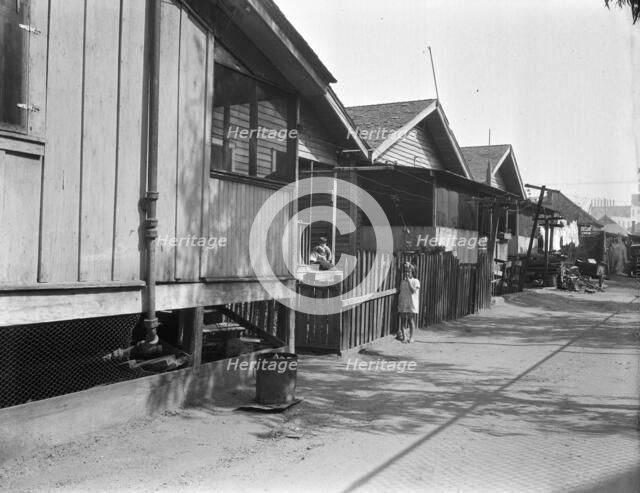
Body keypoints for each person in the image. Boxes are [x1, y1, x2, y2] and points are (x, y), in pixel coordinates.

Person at [398, 262, 420, 343]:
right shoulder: (402, 282)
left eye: (409, 271)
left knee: (410, 320)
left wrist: (409, 281)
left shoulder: (416, 281)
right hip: (403, 303)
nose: (407, 273)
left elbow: (413, 291)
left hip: (411, 304)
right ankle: (404, 337)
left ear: (412, 272)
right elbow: (401, 292)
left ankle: (411, 337)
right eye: (406, 271)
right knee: (403, 320)